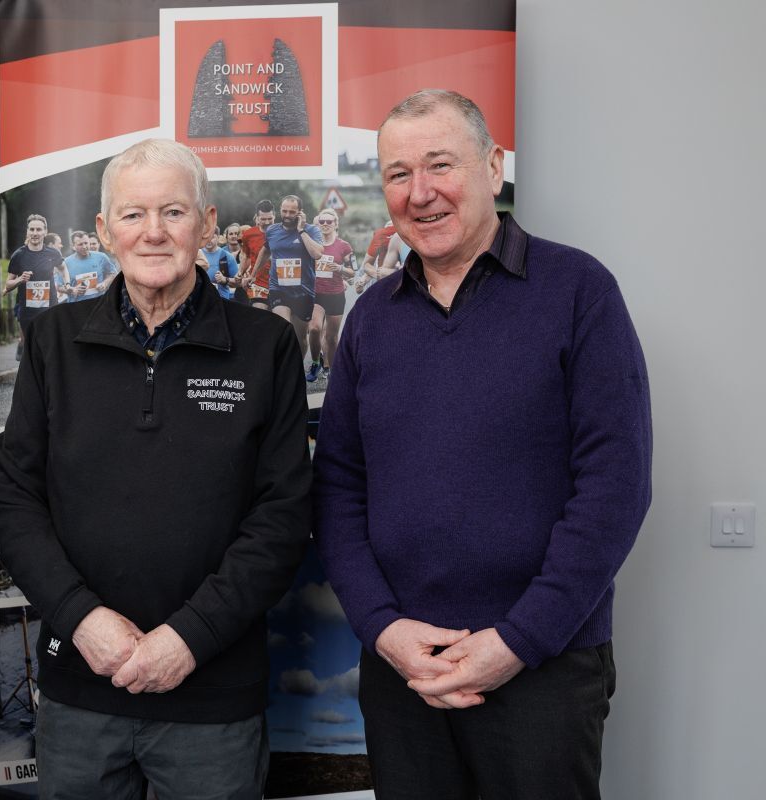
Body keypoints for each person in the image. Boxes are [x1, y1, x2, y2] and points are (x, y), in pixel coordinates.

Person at [312, 89, 652, 799]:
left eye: (441, 164)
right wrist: (384, 629)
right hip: (406, 670)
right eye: (398, 173)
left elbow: (615, 486)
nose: (420, 192)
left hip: (544, 667)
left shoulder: (579, 292)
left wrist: (518, 641)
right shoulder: (372, 319)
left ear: (494, 168)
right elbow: (338, 487)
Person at [0, 138, 311, 800]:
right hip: (82, 690)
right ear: (106, 232)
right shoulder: (52, 343)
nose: (155, 232)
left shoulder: (265, 348)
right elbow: (17, 502)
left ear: (208, 223)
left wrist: (185, 640)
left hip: (214, 700)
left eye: (173, 211)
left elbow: (283, 518)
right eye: (133, 215)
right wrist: (84, 621)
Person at [254, 194, 324, 359]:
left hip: (303, 291)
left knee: (300, 337)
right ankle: (286, 368)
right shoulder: (272, 230)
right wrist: (253, 273)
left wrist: (302, 230)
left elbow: (316, 254)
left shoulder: (312, 230)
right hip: (278, 287)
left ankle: (298, 366)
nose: (287, 215)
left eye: (292, 212)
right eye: (284, 211)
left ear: (300, 212)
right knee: (285, 328)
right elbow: (266, 250)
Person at [306, 211, 356, 380]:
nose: (325, 224)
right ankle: (315, 362)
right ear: (318, 224)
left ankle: (334, 375)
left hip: (335, 294)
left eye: (329, 221)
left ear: (336, 224)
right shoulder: (313, 244)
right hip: (315, 293)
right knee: (314, 328)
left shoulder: (344, 246)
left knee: (332, 338)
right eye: (322, 221)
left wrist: (340, 269)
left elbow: (352, 272)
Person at [3, 214, 67, 340]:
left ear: (45, 232)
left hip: (49, 309)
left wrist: (67, 283)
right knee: (32, 349)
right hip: (28, 313)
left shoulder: (53, 253)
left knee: (48, 346)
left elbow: (63, 268)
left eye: (38, 229)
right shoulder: (18, 255)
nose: (35, 233)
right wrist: (19, 279)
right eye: (32, 229)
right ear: (27, 232)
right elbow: (8, 285)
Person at [61, 229, 117, 301]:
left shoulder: (101, 257)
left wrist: (104, 283)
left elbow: (112, 273)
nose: (84, 247)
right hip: (77, 306)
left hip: (99, 303)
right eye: (80, 244)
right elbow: (58, 286)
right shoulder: (66, 263)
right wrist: (72, 290)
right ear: (73, 246)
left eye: (86, 243)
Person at [239, 200, 274, 310]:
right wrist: (240, 272)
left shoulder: (281, 232)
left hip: (277, 284)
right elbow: (246, 256)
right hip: (257, 282)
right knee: (260, 313)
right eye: (263, 219)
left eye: (270, 219)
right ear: (257, 218)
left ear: (274, 216)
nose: (267, 222)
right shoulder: (248, 234)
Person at [201, 228, 239, 300]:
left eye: (212, 237)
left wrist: (225, 280)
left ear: (218, 237)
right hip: (200, 300)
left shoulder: (226, 256)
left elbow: (238, 283)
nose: (208, 240)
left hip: (221, 300)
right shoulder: (196, 254)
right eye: (206, 237)